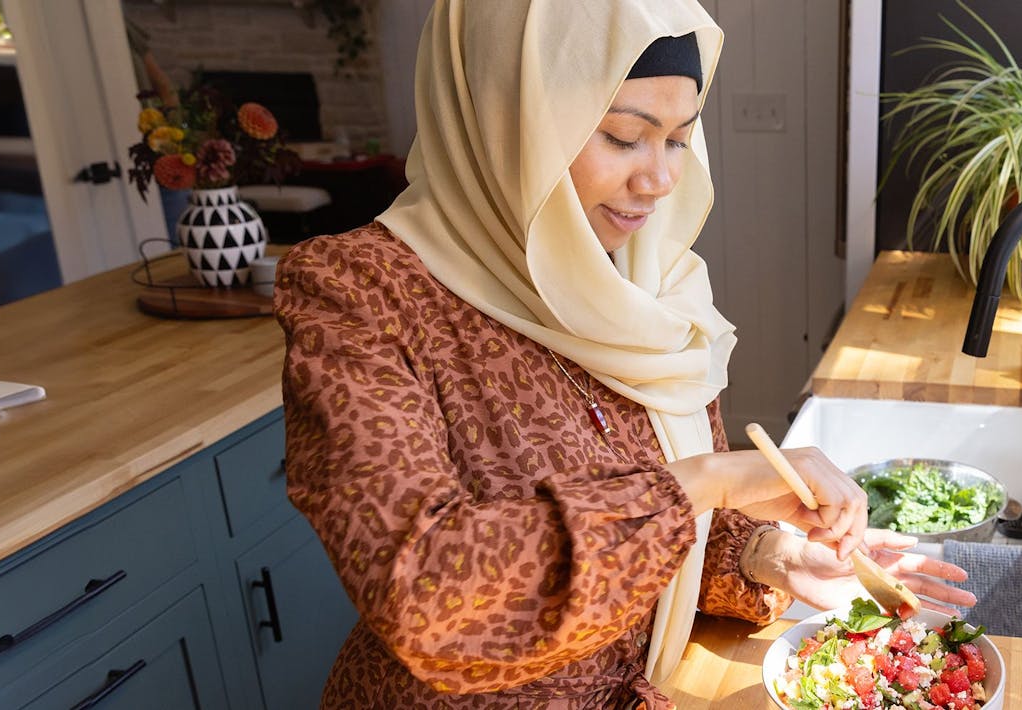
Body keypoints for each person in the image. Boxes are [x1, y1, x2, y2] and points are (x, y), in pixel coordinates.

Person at [273, 1, 974, 707]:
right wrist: (708, 482)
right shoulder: (361, 294)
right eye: (623, 136)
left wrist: (771, 554)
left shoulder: (651, 280)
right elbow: (425, 592)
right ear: (503, 120)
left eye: (679, 139)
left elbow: (666, 536)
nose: (660, 180)